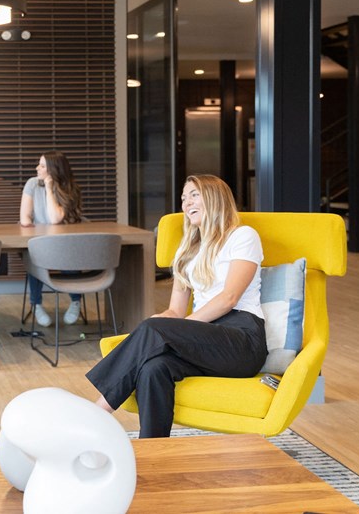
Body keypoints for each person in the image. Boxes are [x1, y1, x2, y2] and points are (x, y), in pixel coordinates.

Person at [85, 174, 268, 438]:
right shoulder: (188, 250)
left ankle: (98, 411)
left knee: (156, 329)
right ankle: (155, 450)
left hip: (241, 340)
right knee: (152, 368)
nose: (186, 202)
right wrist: (161, 326)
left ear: (214, 197)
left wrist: (170, 329)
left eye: (194, 194)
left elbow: (229, 298)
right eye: (183, 198)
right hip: (204, 339)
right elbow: (175, 311)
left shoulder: (242, 236)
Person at [20, 150, 85, 326]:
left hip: (65, 243)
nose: (37, 168)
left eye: (42, 166)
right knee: (34, 256)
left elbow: (55, 219)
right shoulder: (32, 184)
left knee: (69, 256)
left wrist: (49, 188)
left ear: (53, 170)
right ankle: (36, 304)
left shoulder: (69, 188)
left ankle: (75, 300)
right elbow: (25, 217)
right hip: (41, 241)